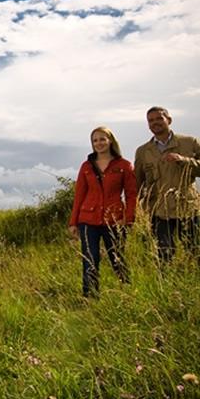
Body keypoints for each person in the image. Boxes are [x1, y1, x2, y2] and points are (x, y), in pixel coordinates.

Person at [134, 106, 200, 264]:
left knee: (195, 253)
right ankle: (167, 287)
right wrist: (138, 209)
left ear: (168, 120)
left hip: (188, 209)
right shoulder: (143, 151)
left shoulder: (190, 143)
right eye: (151, 121)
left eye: (159, 118)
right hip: (159, 212)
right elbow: (137, 182)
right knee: (164, 257)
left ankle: (198, 284)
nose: (155, 123)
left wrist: (183, 160)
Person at [68, 126, 138, 297]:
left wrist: (128, 219)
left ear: (110, 140)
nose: (99, 143)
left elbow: (131, 195)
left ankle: (128, 292)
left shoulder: (124, 165)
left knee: (117, 259)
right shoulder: (86, 166)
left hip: (114, 220)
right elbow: (79, 195)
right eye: (95, 140)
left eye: (102, 139)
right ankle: (90, 298)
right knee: (90, 260)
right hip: (88, 219)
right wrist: (73, 222)